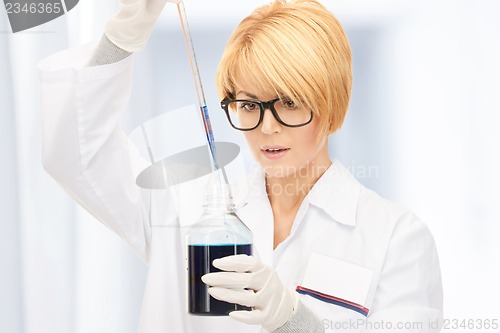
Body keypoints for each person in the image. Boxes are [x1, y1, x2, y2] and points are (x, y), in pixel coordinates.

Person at [38, 0, 443, 332]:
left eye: (288, 102)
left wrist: (295, 322)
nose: (267, 127)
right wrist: (122, 36)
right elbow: (76, 155)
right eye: (249, 105)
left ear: (330, 103)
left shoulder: (396, 238)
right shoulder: (184, 211)